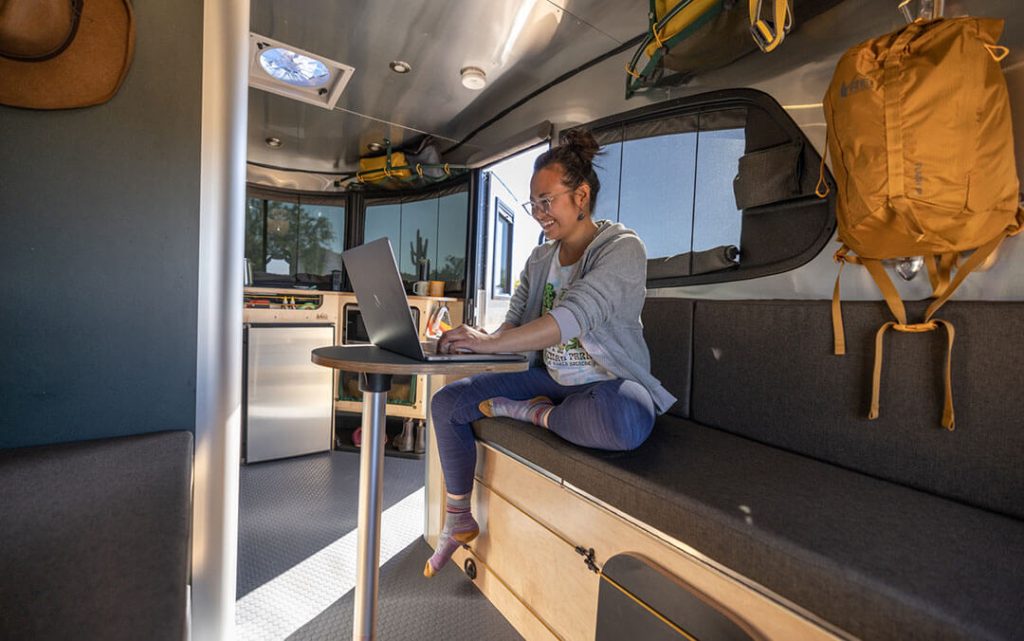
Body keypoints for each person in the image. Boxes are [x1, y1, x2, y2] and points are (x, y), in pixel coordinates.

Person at [423, 129, 676, 578]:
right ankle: (458, 517)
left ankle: (531, 413)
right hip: (550, 378)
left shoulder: (623, 249)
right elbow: (512, 325)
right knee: (446, 404)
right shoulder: (539, 260)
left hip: (607, 383)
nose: (539, 213)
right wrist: (475, 337)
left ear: (581, 196)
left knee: (624, 420)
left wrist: (490, 344)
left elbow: (575, 316)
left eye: (546, 201)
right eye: (533, 205)